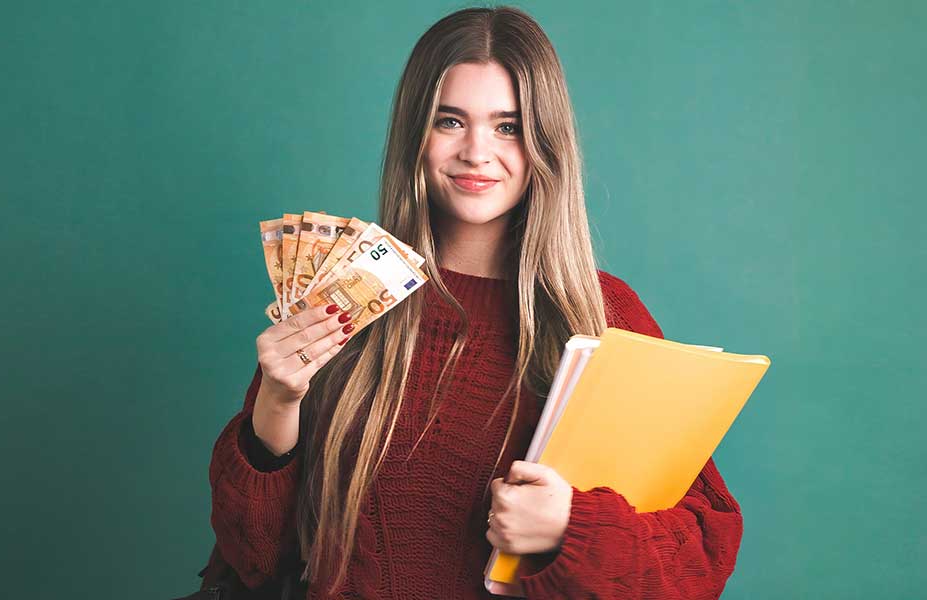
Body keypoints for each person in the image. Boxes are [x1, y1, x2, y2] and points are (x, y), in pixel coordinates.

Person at [208, 6, 743, 599]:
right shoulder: (343, 290)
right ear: (416, 133)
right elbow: (253, 558)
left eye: (508, 126)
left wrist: (571, 525)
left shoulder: (603, 314)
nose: (477, 152)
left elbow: (701, 554)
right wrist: (277, 405)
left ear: (545, 141)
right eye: (450, 121)